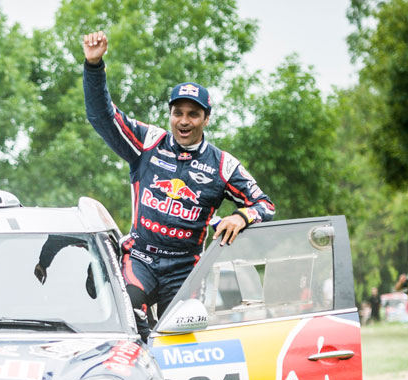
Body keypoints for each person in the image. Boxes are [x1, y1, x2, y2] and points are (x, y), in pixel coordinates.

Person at [81, 31, 275, 320]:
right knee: (129, 319)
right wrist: (94, 66)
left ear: (206, 118)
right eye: (177, 112)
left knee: (181, 334)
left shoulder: (223, 165)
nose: (184, 121)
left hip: (186, 270)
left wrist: (241, 216)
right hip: (140, 260)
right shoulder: (148, 142)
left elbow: (265, 205)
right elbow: (102, 116)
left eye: (193, 114)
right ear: (170, 114)